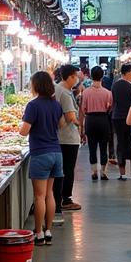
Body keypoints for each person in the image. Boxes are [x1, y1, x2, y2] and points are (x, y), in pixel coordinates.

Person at [19, 70, 64, 246]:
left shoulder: (33, 105)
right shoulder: (56, 105)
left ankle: (38, 233)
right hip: (56, 153)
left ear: (36, 85)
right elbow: (60, 124)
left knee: (39, 196)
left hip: (40, 153)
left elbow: (24, 131)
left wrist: (21, 127)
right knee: (49, 194)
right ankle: (48, 230)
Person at [54, 64, 82, 216]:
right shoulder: (64, 93)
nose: (77, 79)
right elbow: (71, 116)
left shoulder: (59, 89)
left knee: (63, 169)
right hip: (67, 137)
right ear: (70, 77)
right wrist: (80, 124)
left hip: (60, 136)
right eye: (76, 76)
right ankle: (66, 199)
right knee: (68, 169)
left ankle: (60, 198)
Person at [79, 65, 113, 180]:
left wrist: (82, 127)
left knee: (92, 147)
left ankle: (94, 172)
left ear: (91, 76)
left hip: (91, 120)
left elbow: (83, 109)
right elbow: (110, 108)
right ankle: (103, 172)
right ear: (102, 77)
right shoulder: (108, 93)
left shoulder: (86, 93)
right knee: (104, 147)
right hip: (103, 120)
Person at [111, 63, 131, 179]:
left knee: (120, 143)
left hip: (117, 117)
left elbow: (113, 101)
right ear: (128, 73)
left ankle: (122, 173)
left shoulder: (115, 85)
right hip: (129, 118)